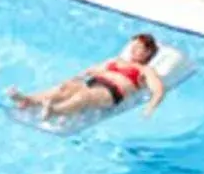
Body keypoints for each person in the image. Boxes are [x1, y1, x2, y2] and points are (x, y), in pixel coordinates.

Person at [10, 33, 170, 120]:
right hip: (94, 82)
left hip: (112, 91)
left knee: (85, 96)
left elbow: (158, 90)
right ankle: (29, 100)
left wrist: (150, 108)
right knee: (65, 88)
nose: (133, 50)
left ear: (148, 52)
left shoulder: (145, 70)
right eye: (133, 46)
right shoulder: (116, 60)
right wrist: (75, 79)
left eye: (138, 48)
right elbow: (91, 71)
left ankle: (54, 111)